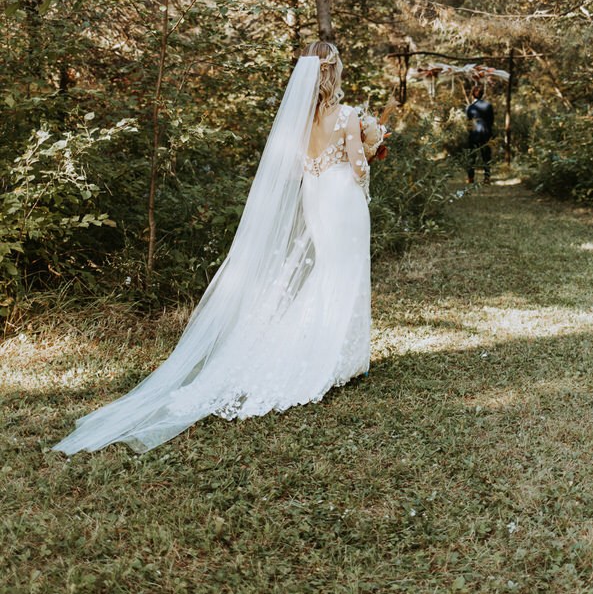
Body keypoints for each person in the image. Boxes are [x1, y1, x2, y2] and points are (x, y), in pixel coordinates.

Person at [53, 42, 376, 455]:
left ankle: (336, 353)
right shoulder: (348, 116)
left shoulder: (298, 120)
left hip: (316, 199)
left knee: (327, 272)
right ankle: (340, 358)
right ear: (336, 72)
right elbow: (359, 167)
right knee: (345, 273)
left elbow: (298, 167)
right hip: (341, 200)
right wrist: (369, 144)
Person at [466, 83, 494, 184]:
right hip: (486, 134)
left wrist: (470, 132)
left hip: (473, 135)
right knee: (486, 157)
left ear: (472, 95)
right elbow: (491, 121)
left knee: (471, 157)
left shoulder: (470, 108)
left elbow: (468, 123)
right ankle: (486, 178)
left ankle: (470, 178)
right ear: (482, 95)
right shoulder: (488, 106)